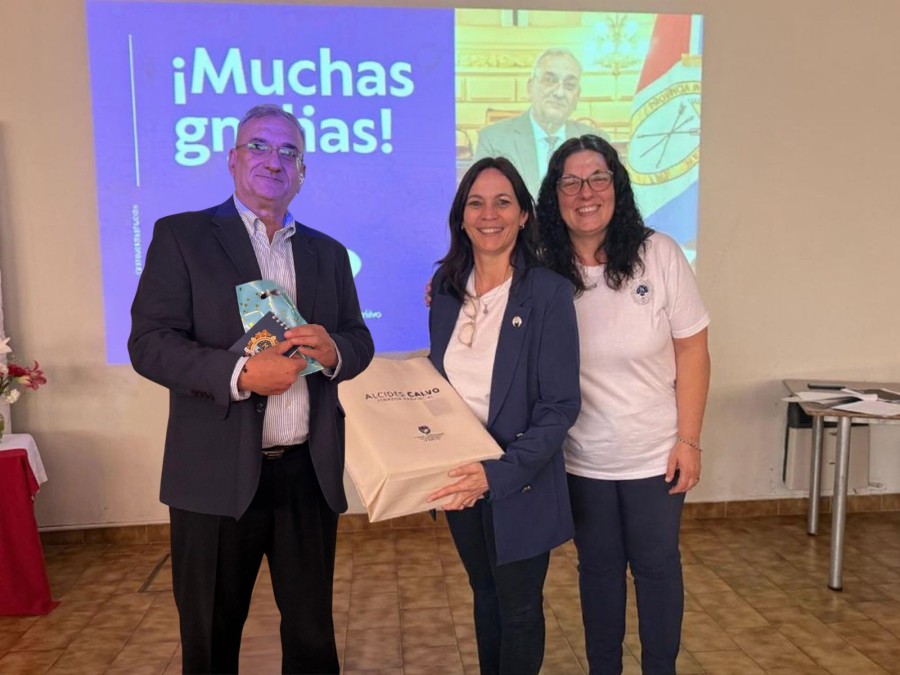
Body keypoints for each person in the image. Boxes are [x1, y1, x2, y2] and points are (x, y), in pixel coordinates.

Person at [129, 104, 374, 674]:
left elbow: (358, 338)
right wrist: (238, 375)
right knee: (210, 642)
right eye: (260, 147)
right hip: (213, 477)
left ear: (303, 172)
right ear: (233, 159)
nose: (274, 161)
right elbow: (150, 343)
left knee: (313, 641)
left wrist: (336, 351)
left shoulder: (329, 253)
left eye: (289, 152)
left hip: (306, 477)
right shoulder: (182, 236)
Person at [536, 134, 710, 675]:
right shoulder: (540, 265)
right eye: (570, 181)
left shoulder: (659, 253)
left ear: (617, 186)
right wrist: (442, 286)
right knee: (598, 573)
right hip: (579, 456)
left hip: (654, 454)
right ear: (554, 193)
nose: (585, 192)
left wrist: (688, 441)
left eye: (598, 178)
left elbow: (694, 351)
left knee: (657, 570)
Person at [426, 157, 581, 674]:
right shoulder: (446, 291)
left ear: (522, 216)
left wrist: (497, 473)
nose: (488, 213)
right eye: (476, 202)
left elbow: (560, 407)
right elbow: (438, 386)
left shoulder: (549, 293)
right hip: (460, 477)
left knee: (517, 609)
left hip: (519, 478)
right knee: (483, 592)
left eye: (502, 201)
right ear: (461, 217)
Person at [474, 48, 601, 197]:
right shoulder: (493, 140)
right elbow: (482, 202)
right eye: (550, 81)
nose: (559, 93)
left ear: (577, 96)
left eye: (569, 85)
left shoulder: (598, 141)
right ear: (530, 87)